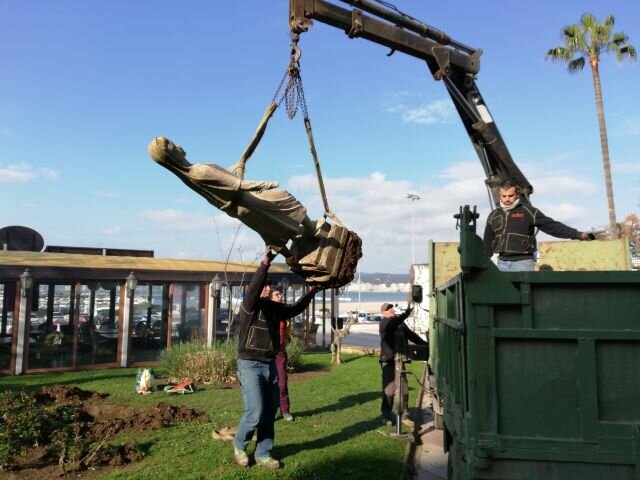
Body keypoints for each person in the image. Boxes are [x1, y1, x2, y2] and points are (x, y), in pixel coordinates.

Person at [233, 249, 319, 469]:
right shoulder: (249, 306)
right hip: (249, 364)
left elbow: (295, 308)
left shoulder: (275, 309)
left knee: (269, 412)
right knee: (255, 411)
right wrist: (266, 262)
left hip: (269, 365)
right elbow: (254, 287)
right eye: (266, 285)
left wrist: (312, 292)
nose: (269, 287)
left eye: (269, 286)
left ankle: (263, 453)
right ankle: (239, 446)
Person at [148, 136, 318, 248]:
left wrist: (239, 165)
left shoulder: (189, 177)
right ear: (170, 155)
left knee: (267, 228)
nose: (179, 145)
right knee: (285, 199)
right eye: (173, 146)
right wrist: (267, 184)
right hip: (245, 198)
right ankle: (312, 231)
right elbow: (239, 184)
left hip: (236, 209)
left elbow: (224, 180)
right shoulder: (199, 170)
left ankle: (290, 256)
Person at [483, 179, 592, 272]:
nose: (507, 199)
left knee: (525, 295)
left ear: (517, 194)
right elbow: (487, 242)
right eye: (504, 196)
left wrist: (578, 234)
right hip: (501, 263)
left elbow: (552, 227)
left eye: (510, 195)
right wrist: (482, 263)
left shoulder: (529, 212)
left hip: (523, 263)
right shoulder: (494, 215)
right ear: (500, 195)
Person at [378, 302, 427, 427]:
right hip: (388, 361)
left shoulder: (400, 323)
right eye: (387, 310)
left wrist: (425, 345)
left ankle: (405, 416)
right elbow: (392, 325)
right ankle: (386, 415)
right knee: (389, 390)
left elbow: (411, 335)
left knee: (404, 388)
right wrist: (406, 314)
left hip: (400, 360)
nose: (391, 310)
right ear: (383, 313)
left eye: (391, 308)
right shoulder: (384, 323)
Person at [269, 287, 294, 422]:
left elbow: (287, 330)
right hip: (267, 351)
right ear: (271, 297)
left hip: (280, 350)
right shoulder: (266, 312)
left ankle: (285, 410)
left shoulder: (284, 313)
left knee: (282, 382)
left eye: (281, 294)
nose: (280, 296)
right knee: (268, 383)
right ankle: (270, 411)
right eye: (277, 294)